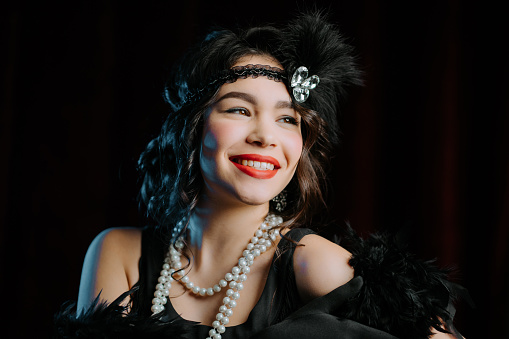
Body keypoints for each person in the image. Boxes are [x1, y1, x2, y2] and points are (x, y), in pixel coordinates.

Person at [54, 11, 466, 339]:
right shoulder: (120, 254)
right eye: (238, 109)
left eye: (287, 118)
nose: (265, 135)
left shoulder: (310, 262)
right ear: (193, 128)